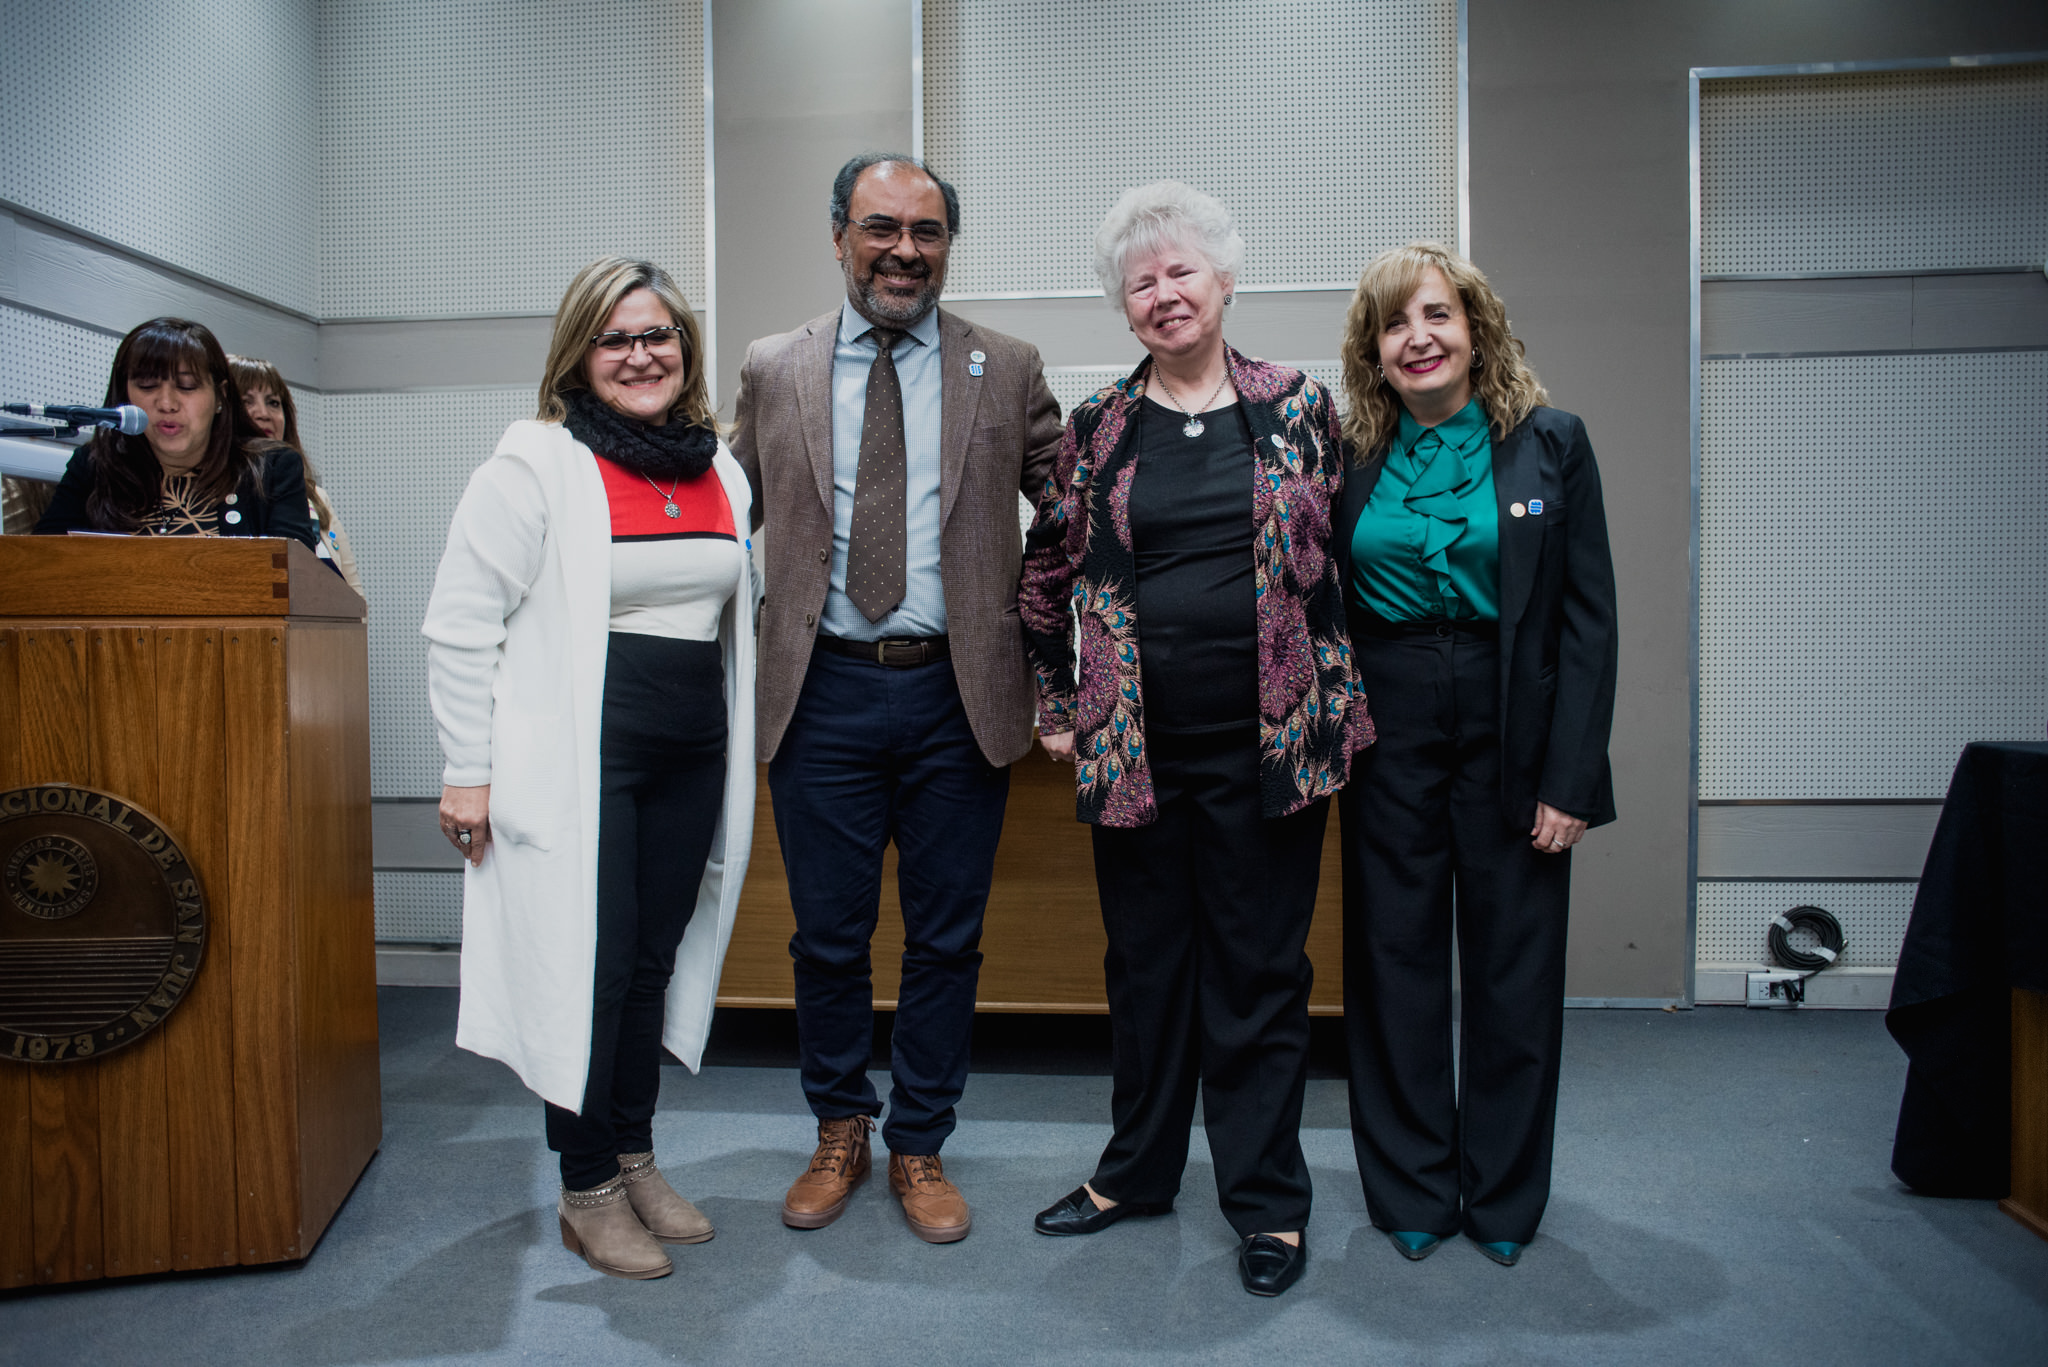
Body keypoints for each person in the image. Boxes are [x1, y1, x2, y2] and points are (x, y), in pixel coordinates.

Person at [1017, 181, 1371, 1298]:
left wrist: (1342, 696)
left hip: (1268, 746)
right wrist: (1053, 698)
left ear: (1223, 281)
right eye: (1141, 281)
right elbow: (1043, 573)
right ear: (1123, 307)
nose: (1163, 294)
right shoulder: (1096, 428)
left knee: (1260, 975)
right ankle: (1136, 1171)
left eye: (1181, 272)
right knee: (1146, 970)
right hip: (1135, 750)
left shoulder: (1302, 407)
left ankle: (1267, 1202)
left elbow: (1356, 570)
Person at [731, 152, 1061, 1245]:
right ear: (838, 236)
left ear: (945, 246)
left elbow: (1076, 513)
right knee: (825, 935)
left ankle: (919, 1138)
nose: (904, 251)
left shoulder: (1005, 368)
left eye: (925, 232)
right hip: (818, 689)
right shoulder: (772, 366)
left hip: (957, 694)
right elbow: (713, 511)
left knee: (945, 937)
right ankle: (838, 1125)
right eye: (881, 227)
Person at [422, 257, 757, 1281]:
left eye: (658, 336)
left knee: (650, 961)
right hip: (580, 761)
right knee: (591, 969)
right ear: (580, 352)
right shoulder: (535, 463)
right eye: (616, 339)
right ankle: (586, 1187)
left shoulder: (718, 467)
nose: (640, 355)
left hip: (692, 747)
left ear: (685, 349)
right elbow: (460, 622)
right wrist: (464, 770)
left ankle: (636, 1152)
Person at [1333, 242, 1618, 1268]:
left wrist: (1569, 774)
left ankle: (1500, 1196)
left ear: (1474, 327)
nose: (1417, 336)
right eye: (1393, 323)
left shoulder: (1551, 444)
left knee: (1512, 967)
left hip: (1515, 728)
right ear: (1372, 351)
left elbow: (1586, 621)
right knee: (1393, 961)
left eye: (1436, 315)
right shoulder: (1346, 453)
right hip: (1388, 725)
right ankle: (1411, 1184)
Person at [34, 317, 317, 549]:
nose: (166, 404)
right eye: (146, 386)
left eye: (187, 386)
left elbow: (297, 578)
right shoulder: (94, 465)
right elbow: (38, 565)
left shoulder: (272, 467)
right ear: (125, 394)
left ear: (221, 396)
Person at [228, 353, 366, 596]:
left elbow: (352, 593)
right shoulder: (214, 495)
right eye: (246, 401)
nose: (263, 413)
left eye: (273, 402)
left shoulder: (316, 497)